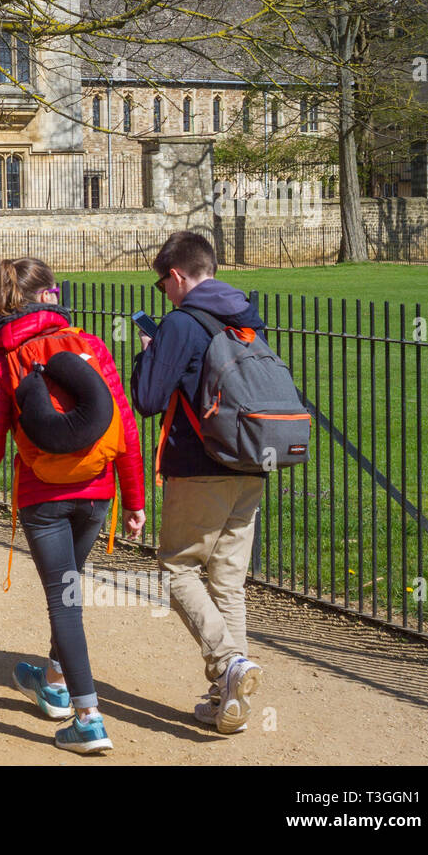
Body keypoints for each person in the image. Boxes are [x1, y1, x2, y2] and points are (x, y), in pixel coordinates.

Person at [0, 257, 145, 754]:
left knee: (63, 600)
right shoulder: (89, 343)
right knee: (68, 586)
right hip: (97, 491)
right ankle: (53, 679)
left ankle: (88, 718)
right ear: (50, 295)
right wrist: (135, 499)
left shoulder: (1, 357)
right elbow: (125, 425)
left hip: (43, 494)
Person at [131, 230, 266, 734]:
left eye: (163, 281)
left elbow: (147, 399)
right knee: (227, 583)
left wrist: (150, 351)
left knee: (176, 570)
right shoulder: (246, 315)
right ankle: (228, 700)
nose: (163, 291)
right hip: (251, 460)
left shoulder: (181, 323)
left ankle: (230, 663)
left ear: (179, 275)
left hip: (199, 464)